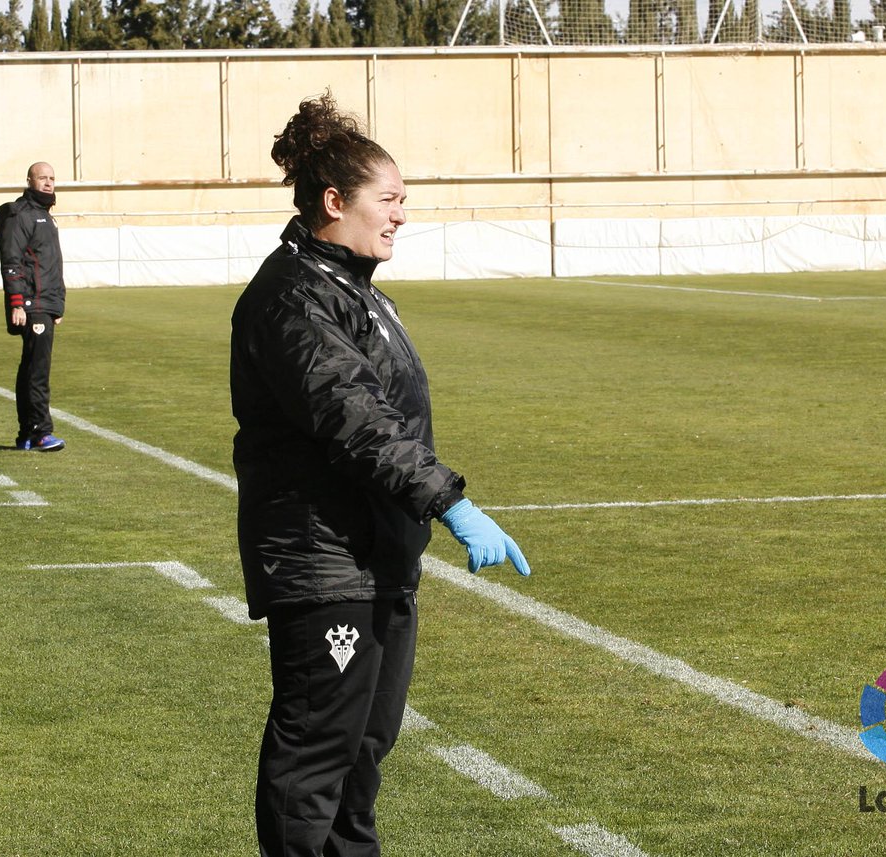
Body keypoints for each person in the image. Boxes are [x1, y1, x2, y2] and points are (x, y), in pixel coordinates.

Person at [230, 92, 531, 857]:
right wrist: (451, 503)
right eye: (388, 200)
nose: (400, 215)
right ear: (335, 201)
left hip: (379, 560)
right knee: (317, 756)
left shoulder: (357, 288)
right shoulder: (294, 296)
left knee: (364, 753)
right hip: (324, 560)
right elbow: (356, 420)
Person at [0, 161, 66, 452]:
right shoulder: (21, 215)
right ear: (29, 180)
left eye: (52, 178)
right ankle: (39, 432)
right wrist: (17, 303)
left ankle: (27, 433)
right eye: (42, 178)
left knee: (32, 368)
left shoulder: (45, 216)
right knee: (37, 371)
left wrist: (56, 306)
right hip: (30, 303)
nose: (48, 183)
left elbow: (50, 266)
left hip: (43, 304)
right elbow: (12, 263)